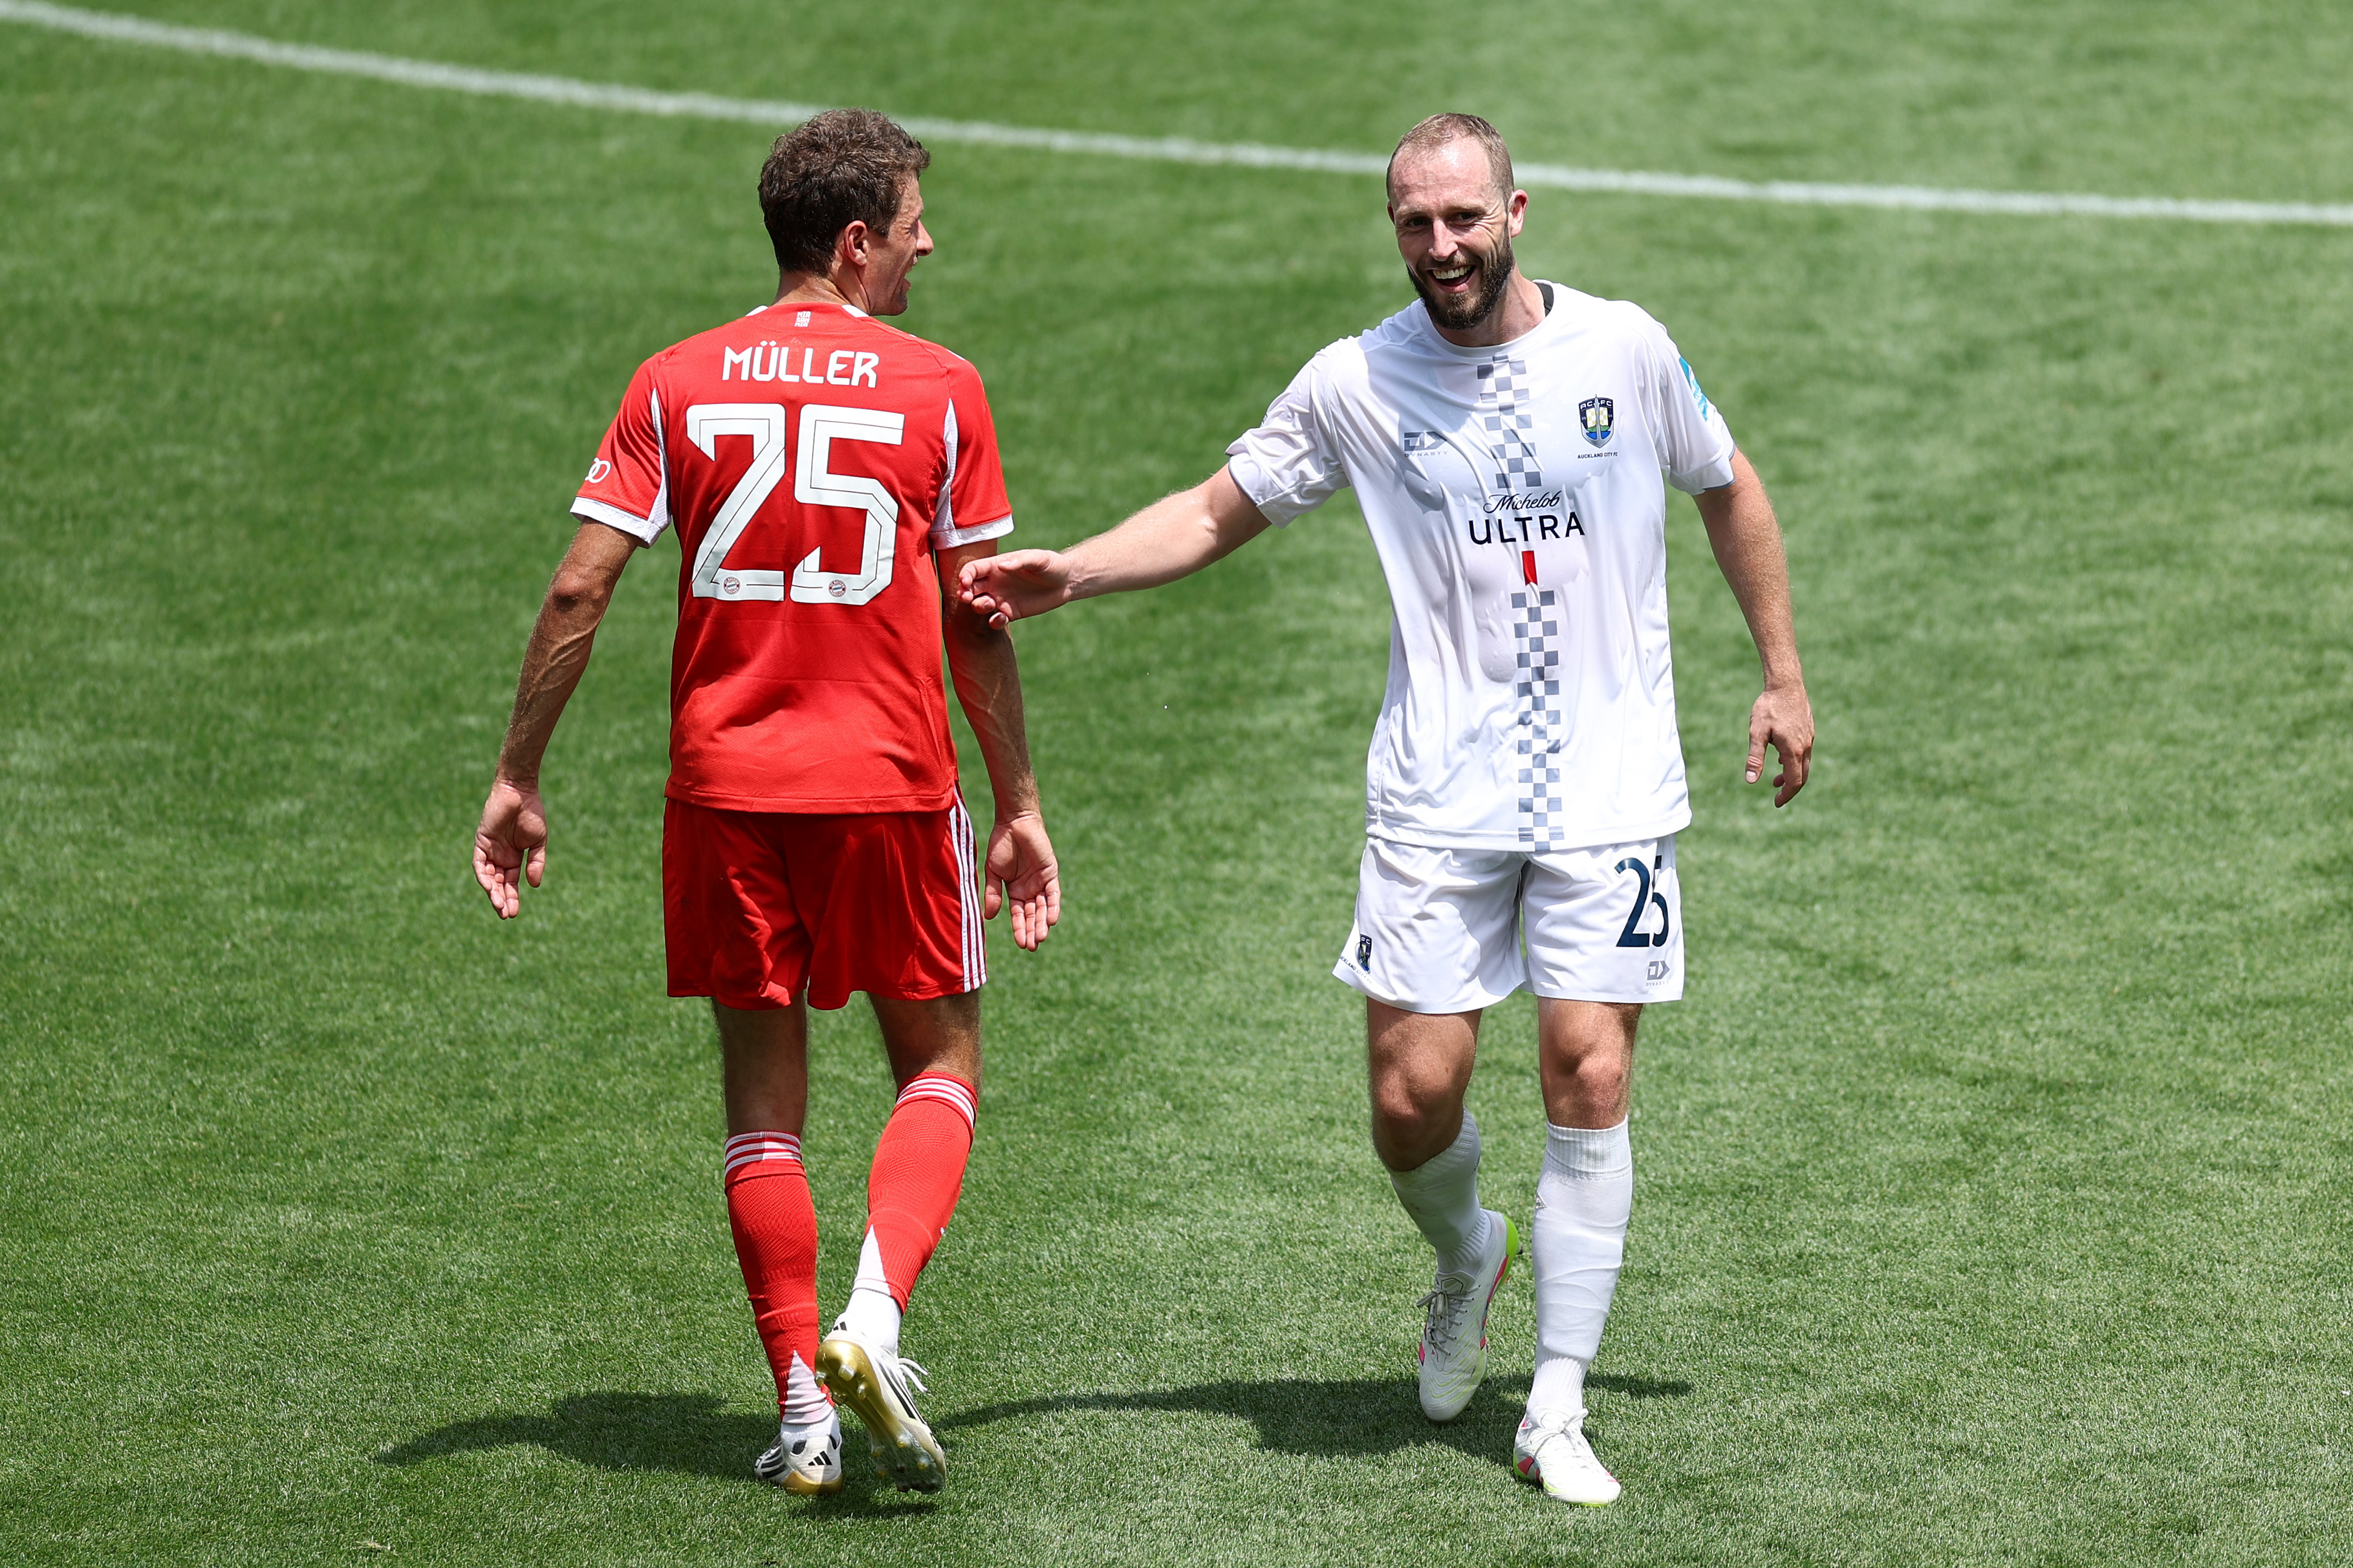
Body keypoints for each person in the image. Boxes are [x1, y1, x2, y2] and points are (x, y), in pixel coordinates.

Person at [959, 112, 1811, 1508]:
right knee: (1411, 1099)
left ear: (1517, 210)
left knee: (1587, 1073)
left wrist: (1780, 674)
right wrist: (1079, 576)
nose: (1441, 247)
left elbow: (1727, 485)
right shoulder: (1356, 381)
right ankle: (1467, 1247)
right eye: (1415, 224)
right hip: (1438, 795)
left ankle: (1554, 1401)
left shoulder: (1625, 349)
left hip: (1608, 786)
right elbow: (1216, 508)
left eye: (1463, 220)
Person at [472, 109, 1059, 1497]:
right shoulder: (938, 388)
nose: (929, 242)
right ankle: (872, 1320)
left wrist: (517, 773)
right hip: (892, 791)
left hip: (725, 798)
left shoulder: (675, 379)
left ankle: (802, 1405)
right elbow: (975, 619)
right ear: (854, 243)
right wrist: (1022, 798)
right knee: (940, 1064)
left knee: (762, 1109)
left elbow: (578, 585)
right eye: (913, 221)